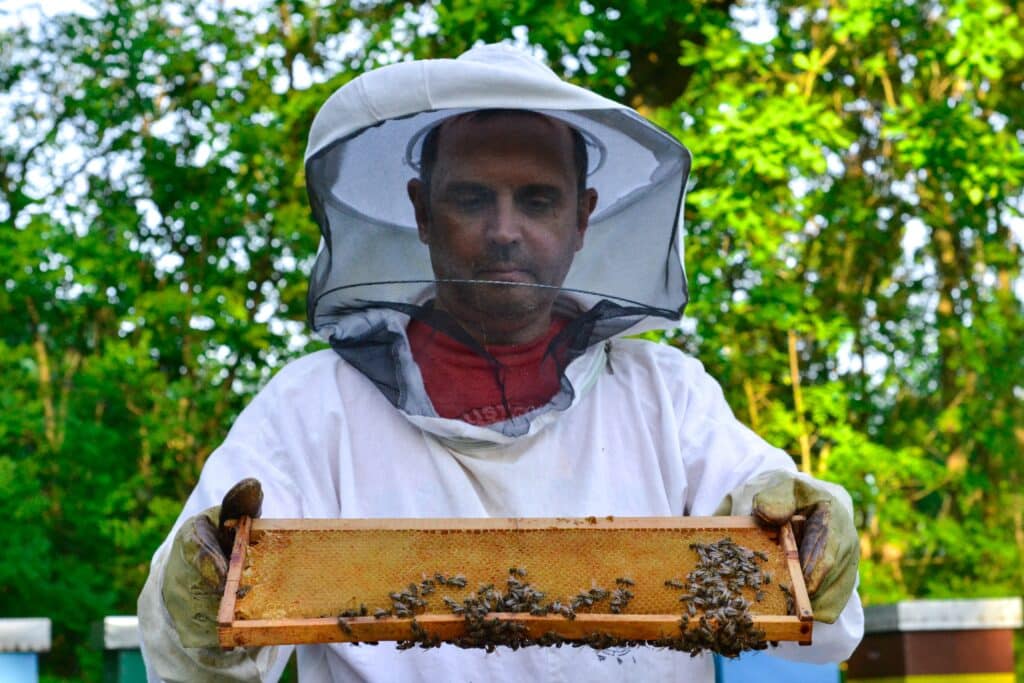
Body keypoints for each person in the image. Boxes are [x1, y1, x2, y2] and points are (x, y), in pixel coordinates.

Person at [138, 44, 863, 682]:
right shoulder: (308, 409)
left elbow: (820, 629)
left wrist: (805, 532)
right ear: (422, 212)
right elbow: (194, 657)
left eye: (537, 200)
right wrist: (201, 586)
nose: (504, 230)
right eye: (472, 198)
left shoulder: (666, 397)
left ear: (581, 217)